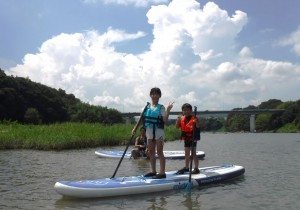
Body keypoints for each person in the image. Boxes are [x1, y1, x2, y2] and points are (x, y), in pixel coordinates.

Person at [133, 87, 173, 179]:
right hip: (149, 132)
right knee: (151, 152)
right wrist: (135, 128)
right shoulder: (145, 107)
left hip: (159, 132)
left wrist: (168, 110)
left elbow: (165, 120)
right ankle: (153, 171)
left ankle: (162, 173)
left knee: (159, 152)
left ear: (159, 96)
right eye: (153, 94)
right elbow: (140, 120)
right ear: (150, 95)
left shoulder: (161, 107)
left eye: (157, 94)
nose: (155, 95)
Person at [175, 103, 201, 174]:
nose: (186, 112)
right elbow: (177, 127)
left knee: (193, 153)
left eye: (188, 110)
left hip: (193, 138)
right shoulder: (182, 119)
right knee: (186, 153)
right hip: (186, 138)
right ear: (183, 111)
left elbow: (198, 127)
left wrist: (196, 122)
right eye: (185, 110)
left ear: (191, 111)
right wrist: (178, 120)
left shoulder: (195, 118)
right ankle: (186, 167)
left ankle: (196, 168)